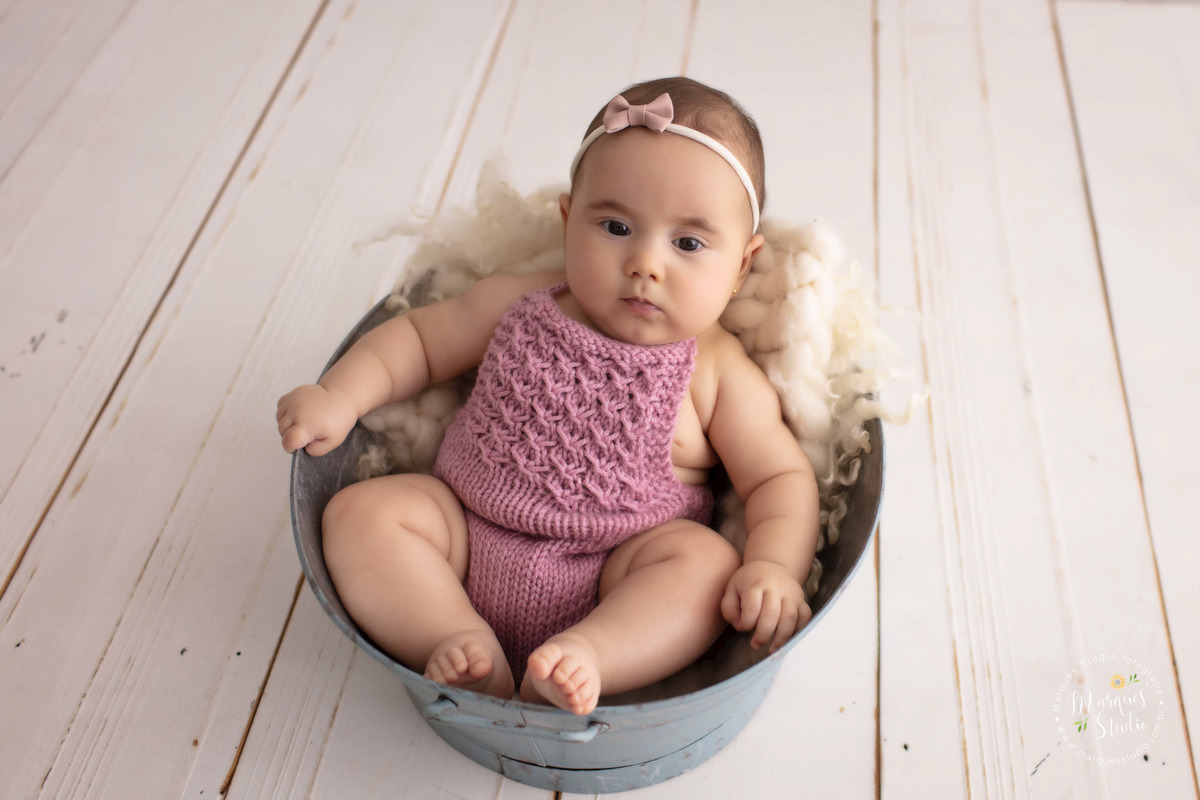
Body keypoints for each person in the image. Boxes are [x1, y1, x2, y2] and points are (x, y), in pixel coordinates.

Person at [276, 77, 820, 716]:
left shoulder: (717, 370)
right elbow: (422, 341)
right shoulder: (521, 303)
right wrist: (341, 396)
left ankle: (586, 657)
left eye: (688, 243)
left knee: (704, 566)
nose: (646, 262)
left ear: (742, 268)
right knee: (358, 514)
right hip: (464, 534)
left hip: (617, 571)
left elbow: (778, 477)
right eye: (616, 226)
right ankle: (454, 639)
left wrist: (775, 568)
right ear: (568, 222)